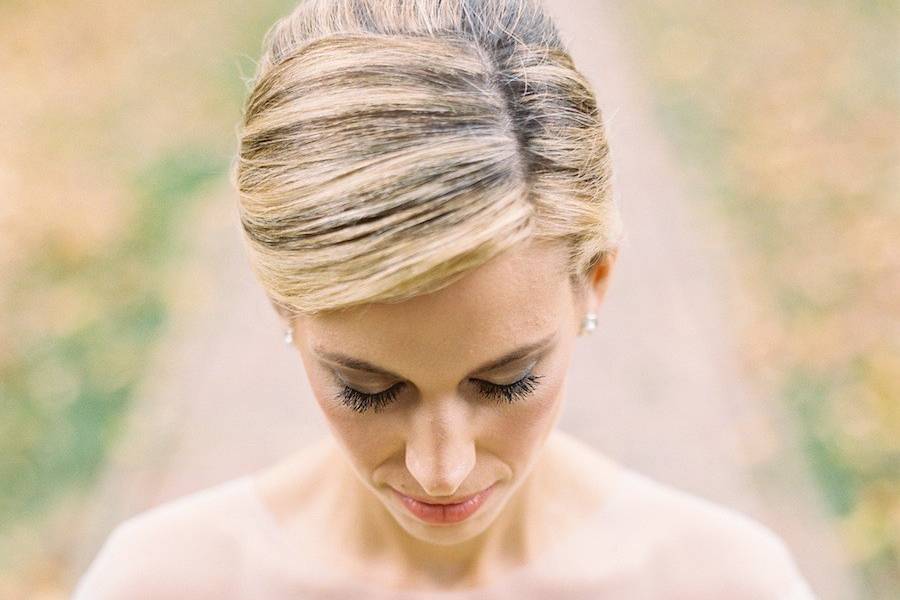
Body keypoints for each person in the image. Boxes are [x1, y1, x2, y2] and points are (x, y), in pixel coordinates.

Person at [71, 0, 818, 598]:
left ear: (595, 281)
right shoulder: (163, 582)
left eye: (506, 382)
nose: (442, 470)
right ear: (281, 306)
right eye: (366, 390)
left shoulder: (720, 582)